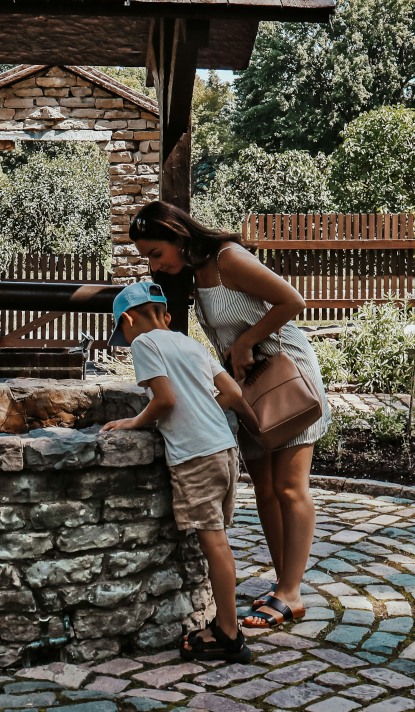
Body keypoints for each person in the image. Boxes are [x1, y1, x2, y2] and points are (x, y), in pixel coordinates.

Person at [128, 201, 329, 631]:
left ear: (177, 237)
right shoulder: (192, 276)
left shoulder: (228, 258)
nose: (153, 264)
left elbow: (292, 301)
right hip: (247, 385)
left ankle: (291, 593)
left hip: (284, 375)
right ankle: (282, 585)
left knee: (290, 487)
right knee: (265, 488)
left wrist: (245, 342)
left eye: (154, 253)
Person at [100, 281, 253, 663]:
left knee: (213, 543)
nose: (127, 337)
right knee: (220, 541)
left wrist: (135, 422)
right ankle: (227, 625)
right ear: (166, 315)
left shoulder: (143, 343)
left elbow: (165, 400)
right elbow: (232, 393)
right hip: (223, 448)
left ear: (127, 319)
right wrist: (202, 409)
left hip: (196, 455)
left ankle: (229, 634)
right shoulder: (190, 344)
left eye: (124, 330)